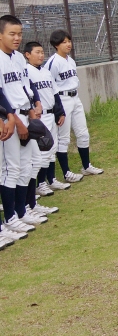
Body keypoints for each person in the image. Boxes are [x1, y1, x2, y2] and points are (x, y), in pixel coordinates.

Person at [0, 15, 46, 234]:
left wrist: (32, 108)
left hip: (24, 114)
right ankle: (10, 217)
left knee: (27, 166)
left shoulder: (18, 58)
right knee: (11, 169)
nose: (17, 38)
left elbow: (24, 86)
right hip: (9, 119)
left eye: (19, 33)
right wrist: (16, 120)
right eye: (12, 34)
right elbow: (2, 94)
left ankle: (22, 211)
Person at [45, 29, 103, 183]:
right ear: (56, 45)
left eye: (69, 41)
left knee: (83, 133)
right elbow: (48, 86)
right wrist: (57, 108)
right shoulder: (53, 62)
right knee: (63, 138)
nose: (68, 44)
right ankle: (66, 173)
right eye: (64, 42)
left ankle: (86, 166)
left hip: (75, 97)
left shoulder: (70, 60)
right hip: (62, 99)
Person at [22, 41, 62, 217]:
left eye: (42, 52)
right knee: (33, 159)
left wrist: (59, 111)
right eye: (37, 52)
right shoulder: (26, 70)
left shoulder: (45, 71)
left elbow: (53, 93)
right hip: (33, 117)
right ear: (27, 54)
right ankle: (31, 196)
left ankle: (44, 185)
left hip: (47, 113)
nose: (41, 55)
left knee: (49, 151)